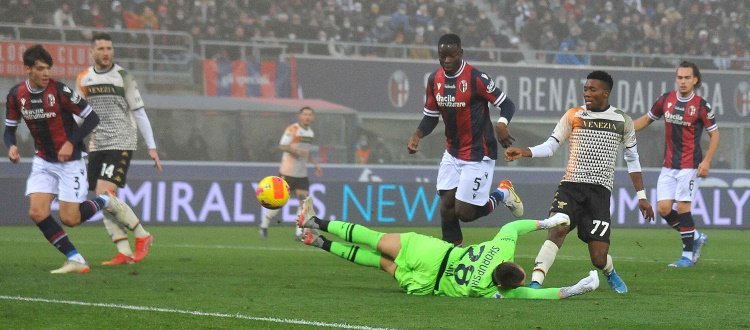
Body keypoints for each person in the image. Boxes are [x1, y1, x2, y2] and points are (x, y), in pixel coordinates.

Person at [505, 70, 655, 293]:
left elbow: (632, 160)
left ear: (606, 92)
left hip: (599, 192)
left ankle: (609, 272)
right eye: (585, 89)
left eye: (592, 89)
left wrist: (642, 198)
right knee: (557, 229)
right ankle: (536, 283)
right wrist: (525, 152)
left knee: (598, 257)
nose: (587, 93)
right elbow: (551, 146)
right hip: (571, 186)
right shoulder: (574, 115)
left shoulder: (622, 120)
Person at [296, 197, 599, 299]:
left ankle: (313, 222)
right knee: (378, 261)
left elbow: (512, 227)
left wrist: (548, 222)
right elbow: (543, 295)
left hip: (434, 254)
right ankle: (317, 242)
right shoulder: (500, 290)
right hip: (428, 284)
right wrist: (575, 289)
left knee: (373, 238)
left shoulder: (500, 251)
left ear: (511, 264)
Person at [3, 44, 137, 273]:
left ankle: (105, 201)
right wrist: (12, 146)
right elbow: (9, 129)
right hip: (43, 161)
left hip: (70, 162)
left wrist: (70, 142)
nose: (46, 73)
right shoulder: (16, 95)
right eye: (40, 69)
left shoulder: (60, 92)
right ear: (27, 69)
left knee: (70, 218)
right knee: (37, 212)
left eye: (48, 68)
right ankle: (76, 259)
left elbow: (92, 118)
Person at [406, 33, 523, 246]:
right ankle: (452, 252)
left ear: (461, 53)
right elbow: (431, 117)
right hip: (452, 153)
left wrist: (502, 123)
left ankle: (503, 193)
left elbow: (507, 104)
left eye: (451, 55)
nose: (447, 60)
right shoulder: (434, 80)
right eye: (442, 56)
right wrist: (417, 135)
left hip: (479, 154)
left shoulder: (476, 78)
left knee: (465, 213)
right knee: (446, 207)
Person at [76, 32, 161, 265]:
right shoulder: (83, 78)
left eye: (109, 49)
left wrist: (151, 147)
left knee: (104, 194)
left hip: (122, 140)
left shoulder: (123, 76)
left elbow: (139, 113)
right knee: (102, 198)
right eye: (101, 49)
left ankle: (142, 235)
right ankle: (123, 251)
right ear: (92, 52)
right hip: (97, 143)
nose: (106, 53)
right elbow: (78, 115)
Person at [633, 61, 718, 267]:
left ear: (695, 80)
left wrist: (706, 161)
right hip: (669, 165)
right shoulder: (666, 100)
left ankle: (687, 255)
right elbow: (647, 119)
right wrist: (624, 131)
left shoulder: (701, 106)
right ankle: (695, 236)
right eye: (679, 77)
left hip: (690, 165)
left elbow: (714, 134)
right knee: (663, 209)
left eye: (687, 78)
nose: (682, 81)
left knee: (682, 207)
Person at [259, 107, 322, 241]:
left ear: (313, 117)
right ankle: (263, 225)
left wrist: (315, 164)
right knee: (278, 203)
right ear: (300, 116)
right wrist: (296, 152)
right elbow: (282, 146)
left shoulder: (310, 133)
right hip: (287, 173)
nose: (307, 117)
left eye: (310, 114)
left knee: (303, 203)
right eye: (305, 114)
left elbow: (307, 151)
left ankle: (299, 233)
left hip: (301, 174)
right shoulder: (292, 129)